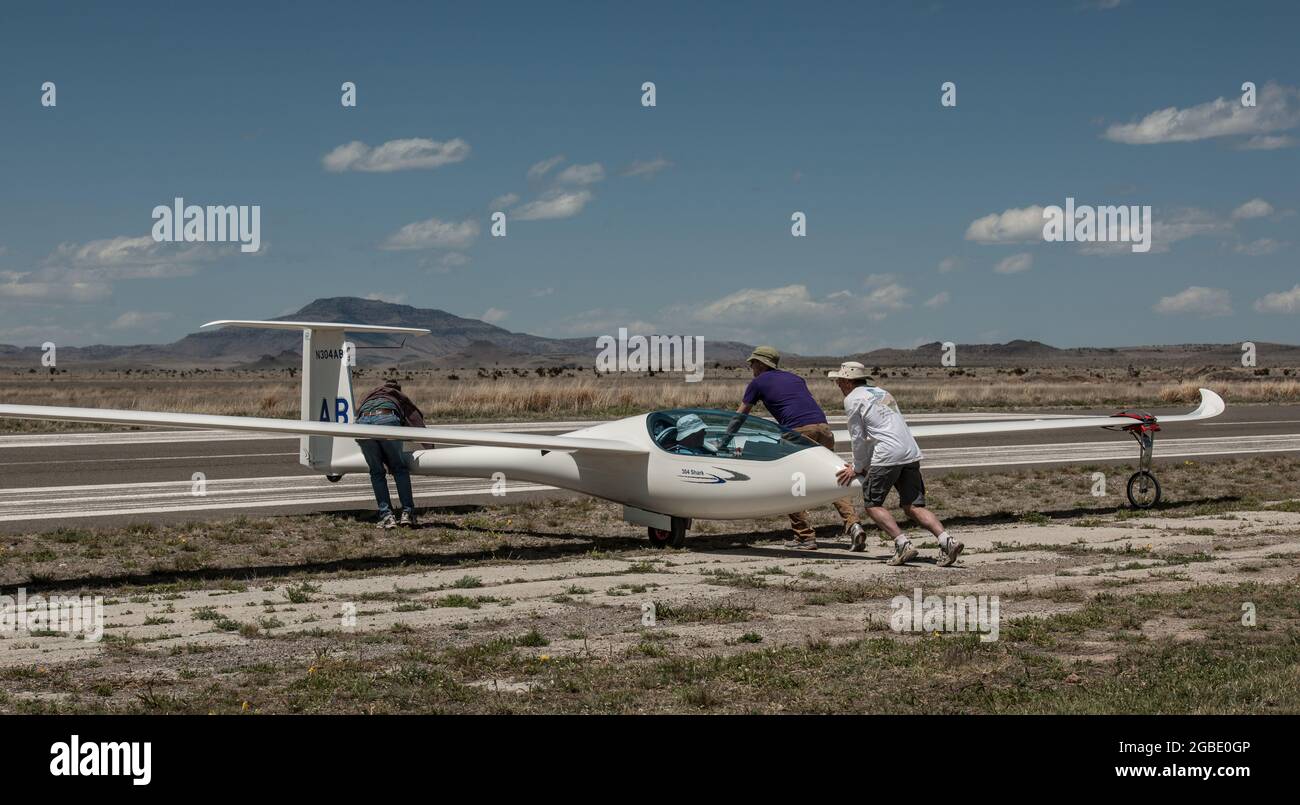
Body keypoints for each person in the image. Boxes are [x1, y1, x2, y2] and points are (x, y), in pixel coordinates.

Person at [724, 345, 862, 550]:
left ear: (761, 364)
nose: (751, 367)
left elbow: (740, 415)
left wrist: (725, 440)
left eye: (753, 363)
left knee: (789, 482)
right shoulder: (796, 378)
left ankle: (805, 536)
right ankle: (853, 525)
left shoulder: (758, 382)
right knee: (834, 478)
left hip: (798, 433)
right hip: (823, 429)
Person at [828, 361, 963, 566]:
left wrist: (857, 467)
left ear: (848, 381)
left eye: (839, 380)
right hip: (909, 451)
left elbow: (858, 437)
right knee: (913, 506)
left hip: (887, 453)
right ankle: (947, 540)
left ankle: (902, 544)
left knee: (873, 504)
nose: (837, 384)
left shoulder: (852, 399)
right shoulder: (881, 392)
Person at [355, 379, 426, 529]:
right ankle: (408, 513)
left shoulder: (370, 395)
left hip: (362, 424)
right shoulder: (397, 396)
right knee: (399, 469)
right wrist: (427, 445)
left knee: (376, 472)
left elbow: (359, 412)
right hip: (386, 418)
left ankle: (387, 516)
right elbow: (414, 418)